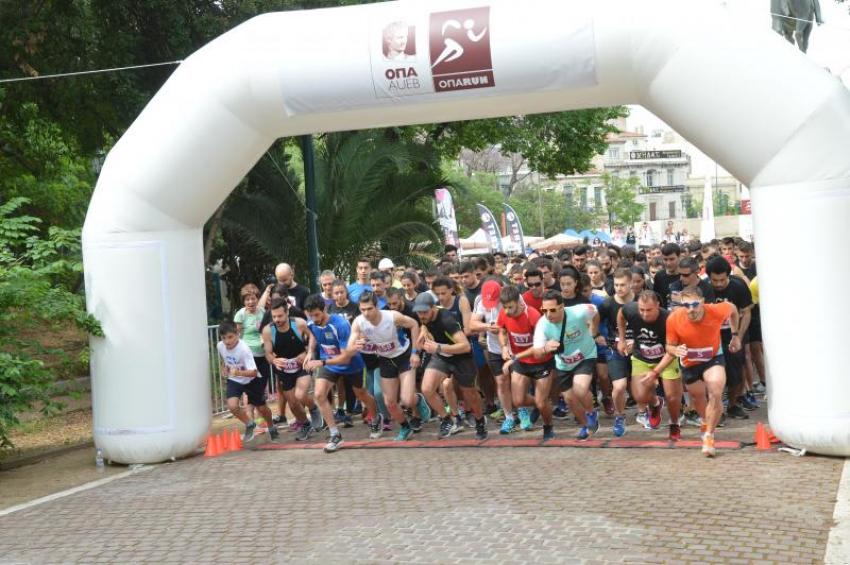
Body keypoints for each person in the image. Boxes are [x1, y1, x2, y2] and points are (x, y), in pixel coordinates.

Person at [666, 286, 740, 457]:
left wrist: (735, 335)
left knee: (715, 391)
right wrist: (675, 350)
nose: (690, 309)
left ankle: (709, 435)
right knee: (698, 397)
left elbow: (733, 310)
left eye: (694, 304)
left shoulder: (717, 310)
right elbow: (668, 346)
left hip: (712, 358)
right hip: (690, 362)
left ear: (702, 302)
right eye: (686, 305)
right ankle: (706, 423)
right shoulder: (674, 318)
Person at [302, 295, 381, 452]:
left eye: (317, 315)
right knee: (319, 394)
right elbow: (313, 335)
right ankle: (335, 434)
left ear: (324, 309)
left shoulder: (340, 325)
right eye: (311, 315)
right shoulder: (311, 322)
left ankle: (376, 418)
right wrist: (310, 352)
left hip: (350, 363)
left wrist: (322, 362)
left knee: (362, 394)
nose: (314, 319)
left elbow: (345, 358)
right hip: (329, 363)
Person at [348, 291, 422, 440]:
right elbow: (349, 347)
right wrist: (356, 345)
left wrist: (415, 352)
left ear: (377, 306)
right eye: (363, 309)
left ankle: (419, 400)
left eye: (369, 309)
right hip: (385, 360)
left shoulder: (392, 316)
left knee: (407, 400)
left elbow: (414, 325)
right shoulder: (358, 322)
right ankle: (405, 427)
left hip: (404, 356)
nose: (366, 313)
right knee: (390, 403)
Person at [414, 293, 487, 440]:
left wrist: (438, 347)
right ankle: (446, 419)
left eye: (424, 312)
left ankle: (480, 421)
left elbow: (465, 346)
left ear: (433, 308)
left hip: (461, 358)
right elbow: (424, 324)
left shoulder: (446, 320)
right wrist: (423, 331)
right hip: (442, 356)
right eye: (419, 312)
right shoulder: (426, 316)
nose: (421, 315)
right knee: (427, 388)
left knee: (470, 394)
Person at [532, 291, 601, 440]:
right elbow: (537, 353)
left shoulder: (578, 312)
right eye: (544, 310)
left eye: (552, 310)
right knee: (569, 399)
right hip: (563, 363)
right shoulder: (542, 324)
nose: (548, 314)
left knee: (580, 389)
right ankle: (585, 425)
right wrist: (545, 348)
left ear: (562, 307)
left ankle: (591, 413)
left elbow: (595, 311)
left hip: (585, 355)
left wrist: (594, 330)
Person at [618, 291, 681, 440]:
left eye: (649, 310)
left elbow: (672, 351)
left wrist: (656, 372)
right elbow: (621, 314)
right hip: (642, 357)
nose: (645, 314)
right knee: (640, 396)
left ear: (657, 305)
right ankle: (655, 403)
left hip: (666, 358)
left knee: (672, 396)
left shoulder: (669, 319)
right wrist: (622, 339)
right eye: (642, 310)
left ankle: (674, 423)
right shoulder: (631, 310)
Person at [497, 286, 555, 438]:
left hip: (542, 361)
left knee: (542, 403)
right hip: (522, 362)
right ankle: (542, 403)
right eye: (504, 307)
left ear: (519, 303)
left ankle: (548, 426)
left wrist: (514, 357)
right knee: (518, 401)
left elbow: (539, 346)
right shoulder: (504, 313)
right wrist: (504, 347)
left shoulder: (533, 315)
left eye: (510, 307)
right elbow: (502, 330)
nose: (507, 311)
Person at [262, 298, 322, 441]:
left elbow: (312, 337)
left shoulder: (299, 323)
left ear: (287, 313)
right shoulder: (268, 330)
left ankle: (313, 409)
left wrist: (308, 353)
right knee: (293, 403)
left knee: (300, 395)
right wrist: (274, 360)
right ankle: (305, 425)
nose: (277, 319)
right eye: (274, 316)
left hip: (302, 364)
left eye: (280, 316)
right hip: (284, 369)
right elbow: (268, 353)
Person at [705, 256, 753, 419]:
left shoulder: (738, 285)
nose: (718, 284)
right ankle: (715, 409)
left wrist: (739, 336)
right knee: (712, 374)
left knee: (736, 372)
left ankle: (733, 405)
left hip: (734, 333)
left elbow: (746, 312)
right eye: (714, 280)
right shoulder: (703, 288)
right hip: (711, 336)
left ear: (728, 275)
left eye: (722, 280)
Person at [217, 321, 279, 442]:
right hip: (234, 380)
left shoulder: (244, 349)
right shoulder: (220, 346)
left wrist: (238, 372)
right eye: (223, 338)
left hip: (251, 380)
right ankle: (250, 424)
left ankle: (271, 426)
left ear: (237, 334)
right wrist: (224, 368)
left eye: (230, 337)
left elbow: (254, 372)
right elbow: (225, 360)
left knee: (262, 408)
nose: (227, 341)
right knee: (232, 406)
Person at [470, 279, 516, 434]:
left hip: (514, 345)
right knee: (501, 382)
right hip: (494, 347)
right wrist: (488, 326)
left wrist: (503, 327)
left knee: (517, 382)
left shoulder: (512, 296)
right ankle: (509, 417)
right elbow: (472, 324)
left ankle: (522, 409)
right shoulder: (479, 300)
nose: (492, 305)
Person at [597, 269, 635, 437]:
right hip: (615, 348)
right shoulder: (607, 304)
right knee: (619, 387)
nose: (619, 288)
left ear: (631, 283)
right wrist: (596, 335)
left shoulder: (641, 300)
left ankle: (650, 407)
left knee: (642, 390)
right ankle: (620, 416)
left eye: (623, 285)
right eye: (616, 285)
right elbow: (594, 320)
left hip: (639, 349)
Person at [233, 284, 269, 423]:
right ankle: (251, 420)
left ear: (257, 299)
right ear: (244, 301)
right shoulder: (240, 314)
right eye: (247, 299)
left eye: (253, 298)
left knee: (260, 387)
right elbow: (237, 336)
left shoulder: (262, 312)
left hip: (262, 355)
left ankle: (261, 418)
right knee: (250, 389)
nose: (250, 302)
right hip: (248, 357)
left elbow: (265, 330)